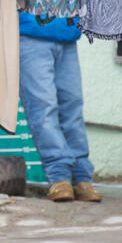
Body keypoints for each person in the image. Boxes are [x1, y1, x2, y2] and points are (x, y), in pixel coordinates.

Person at [18, 12, 102, 202]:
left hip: (67, 33)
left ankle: (82, 178)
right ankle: (60, 178)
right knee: (43, 109)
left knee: (73, 108)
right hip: (30, 33)